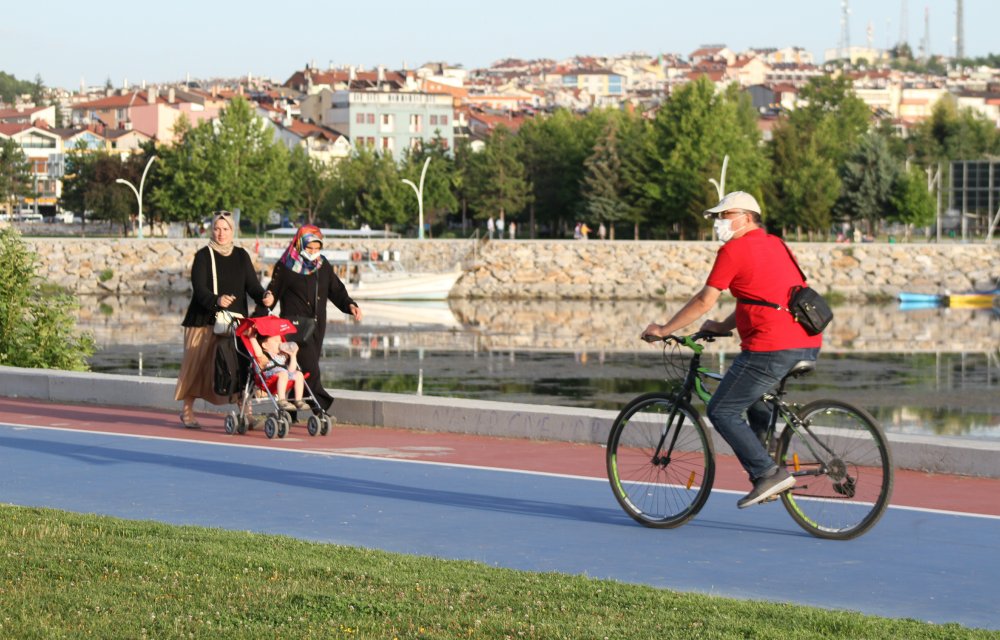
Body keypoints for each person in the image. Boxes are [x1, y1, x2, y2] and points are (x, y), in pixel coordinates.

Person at [641, 191, 822, 509]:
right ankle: (768, 458)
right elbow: (763, 297)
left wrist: (664, 330)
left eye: (725, 215)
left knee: (721, 410)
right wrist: (723, 327)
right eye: (716, 217)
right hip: (806, 342)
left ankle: (768, 473)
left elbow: (704, 300)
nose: (719, 222)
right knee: (753, 398)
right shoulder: (776, 244)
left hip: (771, 346)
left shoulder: (734, 249)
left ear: (747, 217)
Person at [175, 211, 273, 428]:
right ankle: (187, 411)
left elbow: (253, 286)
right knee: (196, 366)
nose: (221, 233)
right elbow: (199, 289)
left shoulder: (241, 255)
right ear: (212, 230)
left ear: (233, 231)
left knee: (239, 364)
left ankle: (245, 411)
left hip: (235, 323)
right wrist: (217, 299)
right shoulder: (203, 256)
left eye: (226, 229)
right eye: (217, 229)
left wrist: (264, 296)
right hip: (203, 321)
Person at [266, 225, 362, 413]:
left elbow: (336, 290)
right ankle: (321, 408)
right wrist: (260, 314)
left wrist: (350, 305)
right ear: (299, 244)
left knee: (299, 369)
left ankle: (289, 411)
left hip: (317, 326)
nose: (313, 252)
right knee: (310, 368)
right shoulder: (285, 266)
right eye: (309, 248)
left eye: (317, 248)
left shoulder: (322, 265)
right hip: (293, 327)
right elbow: (272, 294)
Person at [249, 330, 307, 411]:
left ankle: (298, 400)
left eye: (280, 340)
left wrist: (293, 355)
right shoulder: (263, 355)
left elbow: (291, 370)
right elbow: (257, 350)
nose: (280, 343)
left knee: (299, 374)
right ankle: (282, 400)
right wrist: (251, 336)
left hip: (283, 376)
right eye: (276, 341)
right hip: (269, 378)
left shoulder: (282, 356)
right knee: (283, 373)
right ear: (265, 345)